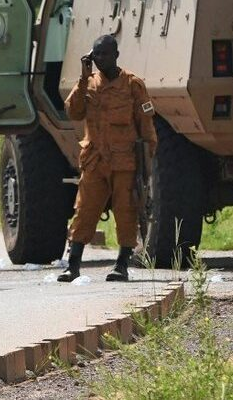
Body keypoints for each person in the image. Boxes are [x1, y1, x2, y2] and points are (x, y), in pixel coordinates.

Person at [59, 35, 158, 283]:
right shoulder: (88, 84)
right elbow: (73, 111)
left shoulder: (133, 85)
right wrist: (83, 77)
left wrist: (146, 164)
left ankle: (122, 264)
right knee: (84, 211)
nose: (100, 59)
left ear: (116, 55)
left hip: (125, 162)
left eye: (104, 54)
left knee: (126, 211)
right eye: (96, 54)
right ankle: (73, 265)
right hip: (94, 161)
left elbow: (146, 128)